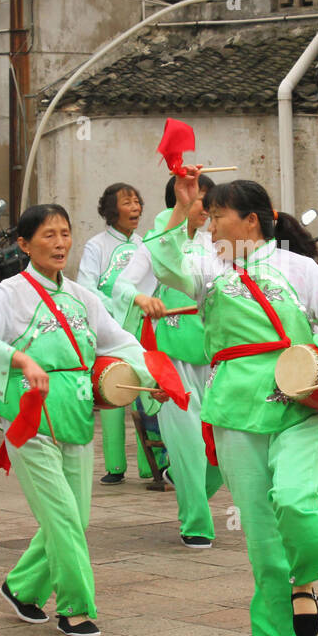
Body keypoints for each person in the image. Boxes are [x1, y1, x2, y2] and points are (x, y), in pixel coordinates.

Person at [149, 171, 318, 636]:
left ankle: (307, 579)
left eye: (219, 214)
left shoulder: (296, 267)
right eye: (210, 213)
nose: (212, 222)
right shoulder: (206, 268)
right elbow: (163, 261)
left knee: (293, 499)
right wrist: (180, 210)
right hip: (234, 404)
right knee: (263, 537)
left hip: (299, 392)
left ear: (251, 220)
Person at [0, 203, 160, 636]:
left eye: (65, 234)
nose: (59, 243)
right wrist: (19, 358)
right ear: (24, 244)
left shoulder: (82, 297)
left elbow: (122, 342)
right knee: (61, 516)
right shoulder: (9, 293)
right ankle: (75, 607)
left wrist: (152, 378)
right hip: (28, 416)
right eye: (48, 235)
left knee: (78, 517)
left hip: (74, 413)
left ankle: (21, 587)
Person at [114, 173, 223, 547]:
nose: (206, 209)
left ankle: (184, 478)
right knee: (190, 443)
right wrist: (142, 299)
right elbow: (122, 286)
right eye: (197, 199)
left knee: (226, 444)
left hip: (218, 360)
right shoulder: (155, 245)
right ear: (177, 201)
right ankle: (195, 522)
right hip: (173, 361)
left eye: (209, 201)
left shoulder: (219, 245)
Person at [77, 182, 162, 483]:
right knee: (114, 390)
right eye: (127, 202)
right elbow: (86, 287)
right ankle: (115, 466)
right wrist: (112, 313)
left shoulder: (146, 246)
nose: (135, 207)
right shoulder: (96, 246)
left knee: (146, 391)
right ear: (112, 210)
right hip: (110, 326)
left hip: (143, 326)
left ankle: (151, 464)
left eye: (137, 201)